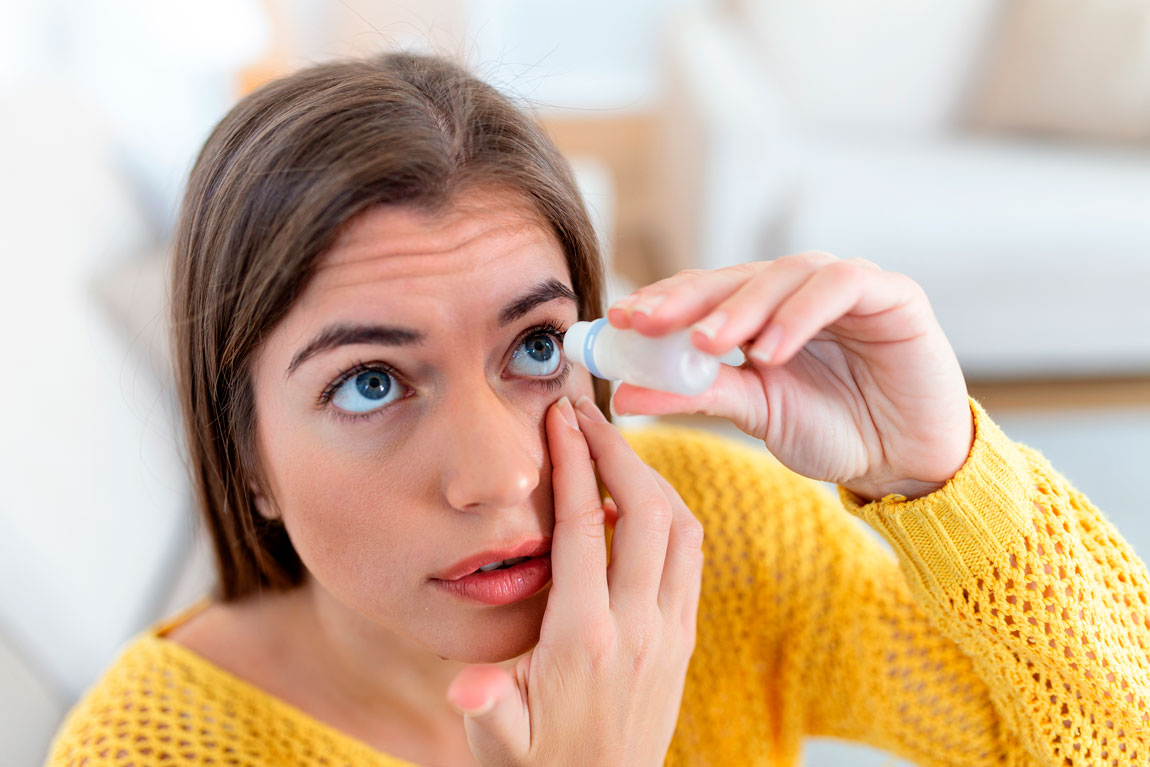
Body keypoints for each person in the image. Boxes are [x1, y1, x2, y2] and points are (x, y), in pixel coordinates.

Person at [47, 52, 1149, 767]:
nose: (501, 475)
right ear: (245, 457)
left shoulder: (714, 538)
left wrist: (940, 472)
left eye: (534, 346)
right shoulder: (146, 748)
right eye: (371, 381)